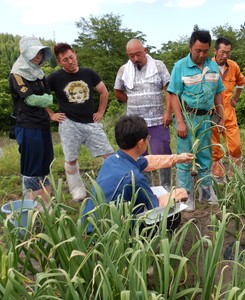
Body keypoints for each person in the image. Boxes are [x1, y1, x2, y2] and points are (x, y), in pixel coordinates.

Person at [82, 115, 194, 233]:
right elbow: (156, 204)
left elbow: (148, 161)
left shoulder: (113, 159)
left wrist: (178, 158)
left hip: (89, 224)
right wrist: (178, 193)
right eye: (148, 138)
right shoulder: (133, 177)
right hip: (106, 232)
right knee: (173, 216)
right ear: (141, 143)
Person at [46, 43, 114, 202]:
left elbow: (104, 91)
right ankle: (77, 191)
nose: (70, 61)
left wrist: (100, 112)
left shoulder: (88, 73)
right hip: (68, 123)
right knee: (71, 159)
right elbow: (42, 96)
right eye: (65, 60)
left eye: (71, 57)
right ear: (59, 62)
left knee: (109, 155)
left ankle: (109, 186)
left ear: (75, 54)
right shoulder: (55, 77)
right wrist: (51, 114)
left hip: (91, 122)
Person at [167, 30, 225, 212]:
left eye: (205, 51)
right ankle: (185, 196)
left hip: (206, 119)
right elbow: (173, 94)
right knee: (185, 158)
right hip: (187, 118)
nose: (201, 55)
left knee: (205, 155)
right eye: (197, 50)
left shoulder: (213, 67)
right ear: (190, 47)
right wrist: (180, 122)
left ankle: (205, 191)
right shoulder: (180, 66)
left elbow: (218, 94)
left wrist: (220, 118)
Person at [114, 39, 173, 190]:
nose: (135, 59)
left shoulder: (158, 66)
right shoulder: (123, 70)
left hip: (158, 120)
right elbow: (118, 91)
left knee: (163, 153)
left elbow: (170, 90)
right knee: (139, 156)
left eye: (138, 54)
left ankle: (165, 187)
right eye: (131, 56)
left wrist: (168, 112)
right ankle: (146, 188)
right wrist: (132, 101)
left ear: (145, 50)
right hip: (135, 123)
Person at [9, 37, 54, 202]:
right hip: (27, 124)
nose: (39, 56)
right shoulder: (17, 74)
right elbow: (30, 100)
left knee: (45, 162)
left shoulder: (39, 74)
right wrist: (42, 99)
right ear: (26, 53)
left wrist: (42, 99)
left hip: (42, 123)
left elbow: (49, 97)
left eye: (41, 53)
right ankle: (32, 204)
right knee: (32, 165)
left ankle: (46, 202)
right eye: (35, 52)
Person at [211, 37, 245, 181]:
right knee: (214, 147)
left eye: (228, 53)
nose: (225, 56)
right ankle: (218, 178)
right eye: (222, 52)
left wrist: (235, 99)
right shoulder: (207, 66)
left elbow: (241, 83)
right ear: (215, 51)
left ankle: (235, 177)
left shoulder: (233, 66)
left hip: (228, 110)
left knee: (235, 145)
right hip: (212, 112)